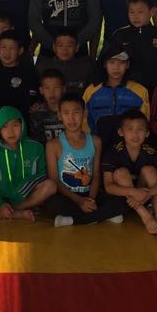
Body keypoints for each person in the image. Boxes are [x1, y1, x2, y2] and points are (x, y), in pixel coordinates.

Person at [0, 105, 57, 222]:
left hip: (24, 197)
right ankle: (17, 214)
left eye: (15, 125)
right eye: (5, 126)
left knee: (50, 186)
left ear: (22, 125)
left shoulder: (35, 147)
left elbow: (41, 175)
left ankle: (14, 210)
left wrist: (21, 191)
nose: (11, 131)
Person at [45, 93, 125, 227]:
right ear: (59, 115)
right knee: (52, 203)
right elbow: (55, 180)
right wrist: (79, 201)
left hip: (90, 192)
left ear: (85, 113)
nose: (71, 118)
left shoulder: (95, 141)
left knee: (121, 202)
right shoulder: (53, 145)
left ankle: (72, 220)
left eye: (76, 112)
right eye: (66, 113)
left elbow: (96, 175)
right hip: (68, 196)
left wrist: (90, 200)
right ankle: (101, 216)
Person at [101, 109, 157, 235]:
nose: (135, 134)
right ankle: (147, 217)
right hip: (123, 198)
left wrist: (148, 193)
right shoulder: (113, 152)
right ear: (121, 132)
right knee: (121, 172)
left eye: (140, 129)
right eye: (130, 129)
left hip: (144, 197)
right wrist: (133, 192)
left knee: (150, 170)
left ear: (147, 133)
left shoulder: (151, 152)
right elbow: (108, 186)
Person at [82, 45, 150, 147]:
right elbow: (84, 121)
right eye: (112, 62)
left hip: (130, 148)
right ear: (104, 64)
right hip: (97, 146)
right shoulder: (90, 91)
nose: (116, 67)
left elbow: (145, 123)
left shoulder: (140, 91)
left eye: (121, 63)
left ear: (128, 65)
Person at [107, 0, 157, 94]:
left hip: (154, 91)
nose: (136, 16)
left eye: (140, 12)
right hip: (126, 91)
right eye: (132, 12)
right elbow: (109, 62)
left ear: (152, 11)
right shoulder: (120, 35)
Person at [0, 29, 39, 116]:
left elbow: (33, 100)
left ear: (20, 51)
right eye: (4, 47)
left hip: (21, 119)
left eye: (12, 48)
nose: (7, 52)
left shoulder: (28, 73)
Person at [34, 28, 96, 95]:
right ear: (54, 47)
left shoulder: (86, 67)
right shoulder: (43, 67)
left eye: (69, 46)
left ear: (77, 47)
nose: (64, 50)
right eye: (60, 45)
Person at [27, 68, 66, 144]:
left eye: (56, 87)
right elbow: (35, 142)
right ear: (41, 90)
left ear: (63, 89)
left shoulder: (70, 111)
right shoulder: (36, 114)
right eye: (47, 88)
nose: (52, 92)